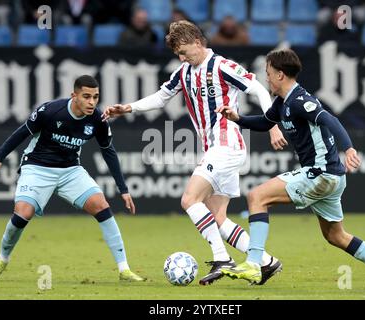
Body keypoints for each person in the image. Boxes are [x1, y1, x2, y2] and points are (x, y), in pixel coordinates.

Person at [103, 21, 287, 286]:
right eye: (177, 53)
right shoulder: (184, 72)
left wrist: (272, 126)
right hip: (215, 148)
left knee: (189, 199)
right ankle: (268, 262)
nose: (181, 57)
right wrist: (128, 108)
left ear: (198, 43)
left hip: (227, 144)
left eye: (183, 51)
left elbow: (258, 88)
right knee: (218, 218)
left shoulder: (223, 66)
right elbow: (161, 97)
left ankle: (222, 258)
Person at [218, 48, 365, 287]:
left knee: (257, 196)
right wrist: (237, 118)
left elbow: (331, 120)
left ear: (280, 75)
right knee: (336, 236)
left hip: (321, 173)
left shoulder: (300, 100)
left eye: (268, 73)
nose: (266, 78)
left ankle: (254, 263)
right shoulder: (282, 103)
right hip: (331, 177)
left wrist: (348, 148)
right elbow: (266, 122)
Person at [0, 75, 145, 283]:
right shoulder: (51, 111)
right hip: (37, 167)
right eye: (86, 97)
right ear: (74, 95)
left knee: (101, 204)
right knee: (23, 213)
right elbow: (22, 132)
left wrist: (123, 189)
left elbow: (108, 151)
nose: (92, 102)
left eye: (95, 97)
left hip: (70, 170)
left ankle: (124, 269)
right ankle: (2, 259)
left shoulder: (97, 119)